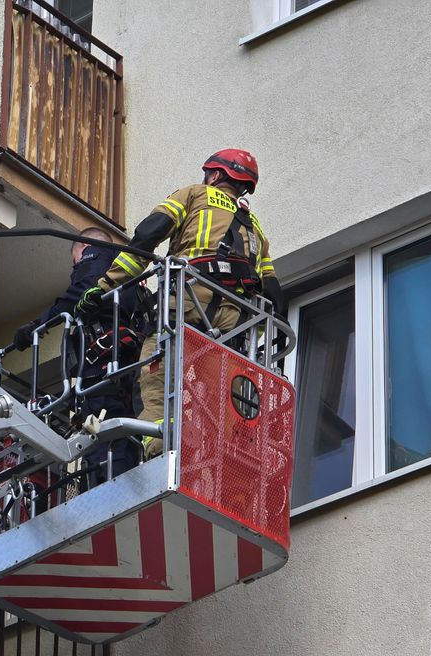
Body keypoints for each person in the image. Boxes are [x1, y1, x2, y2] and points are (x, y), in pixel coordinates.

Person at [77, 149, 286, 458]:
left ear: (214, 175)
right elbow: (272, 290)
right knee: (222, 397)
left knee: (154, 373)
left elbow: (146, 239)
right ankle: (225, 459)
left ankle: (158, 449)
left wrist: (105, 286)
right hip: (232, 323)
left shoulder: (193, 194)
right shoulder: (255, 228)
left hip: (188, 301)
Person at [13, 227, 147, 483]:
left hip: (102, 363)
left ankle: (104, 490)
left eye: (74, 260)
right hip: (126, 361)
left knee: (99, 429)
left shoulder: (94, 255)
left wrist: (37, 325)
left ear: (82, 248)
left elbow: (83, 289)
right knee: (124, 428)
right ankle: (128, 483)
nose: (76, 265)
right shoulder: (131, 272)